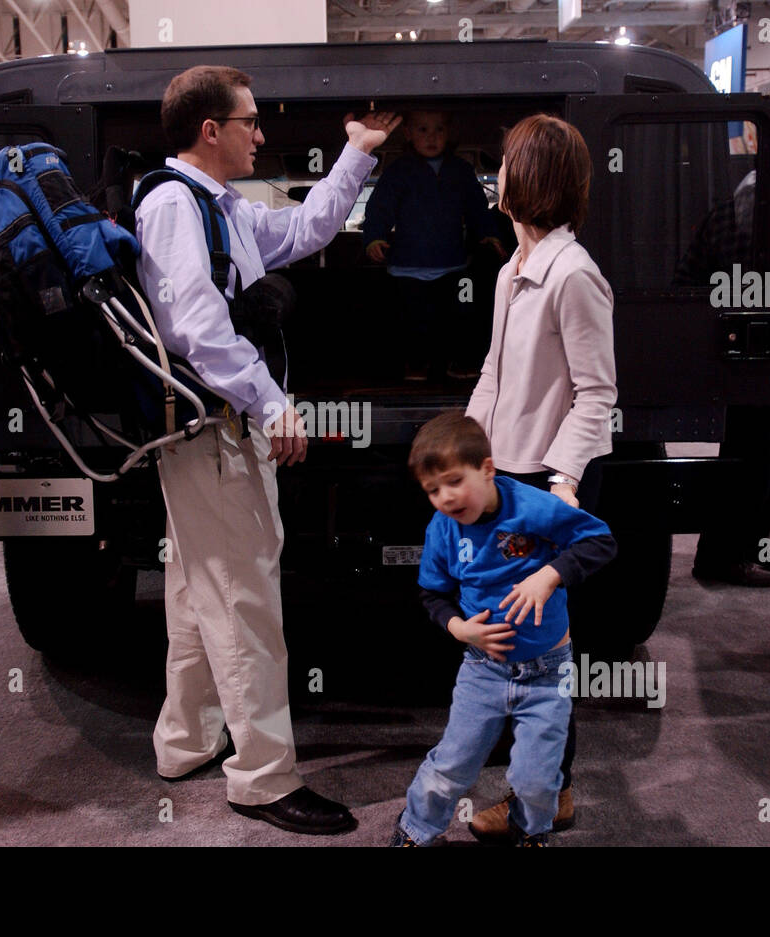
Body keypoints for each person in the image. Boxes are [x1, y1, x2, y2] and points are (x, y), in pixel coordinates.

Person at [134, 65, 399, 834]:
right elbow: (195, 325)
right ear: (209, 130)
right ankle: (262, 778)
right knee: (244, 598)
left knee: (197, 590)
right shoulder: (177, 206)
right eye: (249, 121)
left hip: (209, 434)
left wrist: (357, 152)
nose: (261, 132)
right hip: (216, 432)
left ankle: (183, 742)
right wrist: (273, 403)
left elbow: (308, 231)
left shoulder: (221, 208)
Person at [462, 113, 617, 841]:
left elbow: (597, 392)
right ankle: (535, 785)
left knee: (542, 651)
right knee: (507, 643)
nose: (496, 174)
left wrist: (562, 480)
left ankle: (546, 796)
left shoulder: (574, 274)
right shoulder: (510, 270)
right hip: (502, 474)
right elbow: (495, 371)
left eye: (504, 162)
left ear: (527, 179)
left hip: (541, 483)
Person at [390, 412, 615, 846]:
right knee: (452, 765)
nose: (445, 498)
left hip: (549, 673)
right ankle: (416, 827)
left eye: (455, 481)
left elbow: (600, 541)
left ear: (488, 469)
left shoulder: (534, 506)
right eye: (433, 490)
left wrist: (548, 575)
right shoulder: (443, 529)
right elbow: (432, 595)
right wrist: (459, 628)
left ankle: (531, 830)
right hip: (483, 669)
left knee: (536, 777)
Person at [675, 113, 770, 587]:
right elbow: (752, 287)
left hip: (765, 347)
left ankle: (751, 544)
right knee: (752, 456)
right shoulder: (757, 198)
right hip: (742, 346)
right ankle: (721, 557)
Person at [363, 110, 503, 381]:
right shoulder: (398, 172)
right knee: (415, 322)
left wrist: (489, 234)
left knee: (459, 318)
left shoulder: (461, 170)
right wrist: (374, 237)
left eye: (439, 129)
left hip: (453, 265)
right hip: (407, 267)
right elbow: (380, 208)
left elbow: (477, 208)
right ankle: (415, 365)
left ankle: (458, 363)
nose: (432, 137)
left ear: (448, 132)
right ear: (408, 133)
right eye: (422, 130)